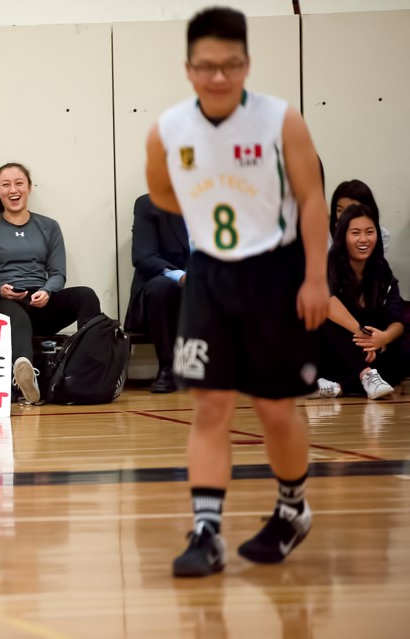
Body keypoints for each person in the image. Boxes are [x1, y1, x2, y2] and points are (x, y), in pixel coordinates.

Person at [145, 7, 330, 577]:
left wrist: (316, 276)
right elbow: (162, 194)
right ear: (188, 67)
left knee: (274, 409)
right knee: (210, 406)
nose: (218, 76)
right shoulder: (168, 129)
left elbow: (312, 199)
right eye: (206, 66)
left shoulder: (281, 121)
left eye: (229, 65)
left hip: (273, 273)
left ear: (246, 64)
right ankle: (207, 531)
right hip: (210, 276)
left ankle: (293, 509)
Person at [0, 162, 102, 404]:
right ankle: (25, 377)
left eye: (19, 183)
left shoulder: (48, 226)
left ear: (29, 188)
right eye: (6, 184)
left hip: (41, 301)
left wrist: (47, 290)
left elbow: (58, 273)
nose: (13, 189)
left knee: (86, 295)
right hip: (5, 303)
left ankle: (84, 372)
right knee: (15, 313)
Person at [314, 203, 406, 399]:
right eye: (355, 233)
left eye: (369, 232)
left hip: (369, 352)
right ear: (343, 237)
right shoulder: (328, 266)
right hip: (333, 351)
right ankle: (366, 375)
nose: (363, 239)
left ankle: (339, 388)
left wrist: (384, 338)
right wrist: (362, 334)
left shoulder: (382, 270)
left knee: (402, 350)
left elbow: (396, 318)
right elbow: (327, 303)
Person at [125, 193, 191, 393]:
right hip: (166, 291)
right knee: (162, 287)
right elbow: (143, 256)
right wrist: (182, 277)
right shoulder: (149, 204)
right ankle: (168, 367)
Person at [328, 179, 391, 254]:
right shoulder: (326, 235)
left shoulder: (381, 234)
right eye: (339, 210)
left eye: (351, 210)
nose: (343, 216)